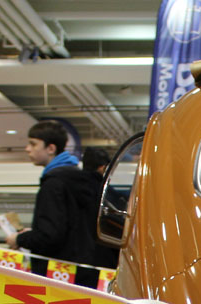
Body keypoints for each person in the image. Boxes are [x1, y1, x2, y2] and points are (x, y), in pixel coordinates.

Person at [7, 120, 98, 284]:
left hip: (57, 276)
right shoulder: (79, 179)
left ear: (51, 148)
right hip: (83, 275)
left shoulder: (53, 184)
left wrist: (19, 240)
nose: (27, 149)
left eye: (33, 144)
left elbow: (50, 237)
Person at [82, 146, 119, 271]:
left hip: (80, 258)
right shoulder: (106, 194)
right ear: (103, 168)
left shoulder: (72, 187)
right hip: (104, 258)